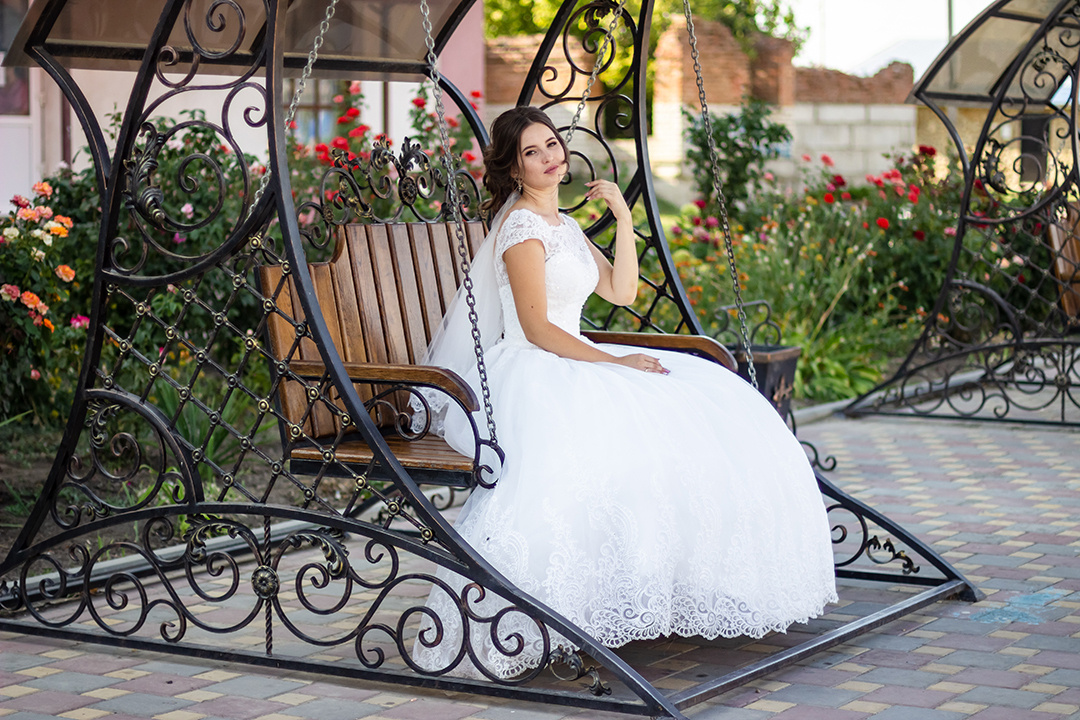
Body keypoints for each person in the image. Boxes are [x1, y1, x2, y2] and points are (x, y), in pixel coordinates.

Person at [411, 106, 837, 679]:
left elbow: (620, 290)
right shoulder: (521, 229)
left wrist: (620, 215)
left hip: (576, 354)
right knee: (603, 443)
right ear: (514, 169)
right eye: (533, 153)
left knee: (703, 404)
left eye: (553, 144)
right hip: (534, 365)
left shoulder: (565, 225)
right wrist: (615, 361)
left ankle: (664, 578)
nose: (550, 158)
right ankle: (546, 607)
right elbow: (537, 329)